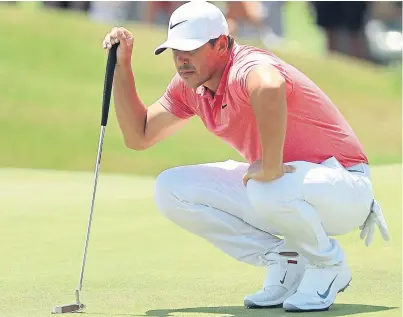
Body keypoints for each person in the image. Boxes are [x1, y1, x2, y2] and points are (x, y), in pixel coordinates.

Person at [102, 1, 390, 313]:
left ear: (221, 44)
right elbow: (139, 135)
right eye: (175, 51)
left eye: (191, 49)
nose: (181, 60)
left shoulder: (245, 66)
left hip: (343, 186)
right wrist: (122, 67)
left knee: (266, 184)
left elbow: (270, 85)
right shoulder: (191, 87)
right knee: (170, 188)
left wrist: (269, 163)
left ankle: (328, 265)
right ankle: (286, 260)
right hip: (288, 190)